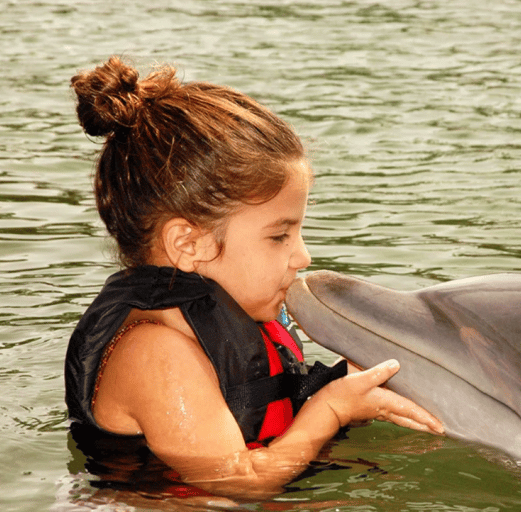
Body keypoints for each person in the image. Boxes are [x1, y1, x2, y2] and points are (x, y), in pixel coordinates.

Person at [64, 56, 443, 500]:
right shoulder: (155, 353)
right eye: (279, 235)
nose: (302, 255)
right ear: (189, 244)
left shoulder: (235, 315)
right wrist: (331, 410)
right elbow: (236, 481)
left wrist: (342, 393)